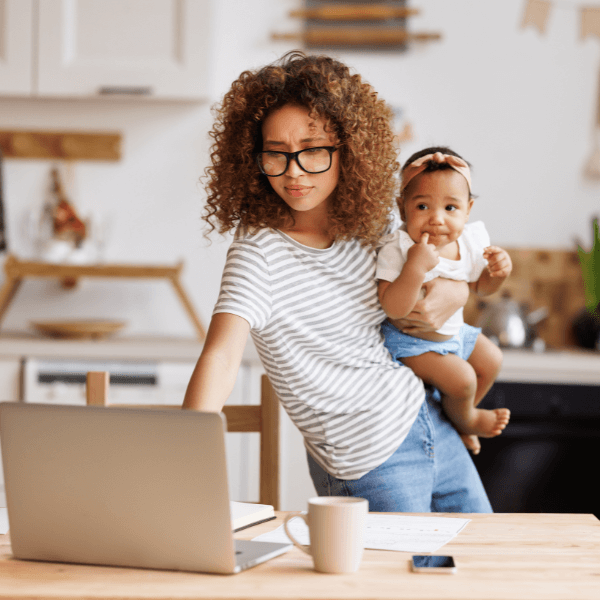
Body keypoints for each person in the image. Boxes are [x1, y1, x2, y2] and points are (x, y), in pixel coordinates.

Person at [183, 51, 492, 513]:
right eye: (276, 153)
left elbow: (448, 261)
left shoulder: (370, 224)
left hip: (430, 422)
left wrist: (459, 289)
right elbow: (222, 356)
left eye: (312, 150)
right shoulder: (259, 253)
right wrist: (183, 453)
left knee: (480, 573)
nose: (293, 171)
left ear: (347, 148)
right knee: (391, 588)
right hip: (369, 461)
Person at [377, 148, 512, 455]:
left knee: (492, 360)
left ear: (468, 209)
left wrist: (499, 273)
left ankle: (458, 418)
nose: (437, 219)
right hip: (411, 343)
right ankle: (467, 419)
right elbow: (392, 307)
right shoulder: (398, 248)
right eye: (423, 205)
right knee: (463, 378)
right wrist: (414, 267)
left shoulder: (469, 242)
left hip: (454, 333)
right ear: (402, 208)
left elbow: (481, 286)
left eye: (451, 207)